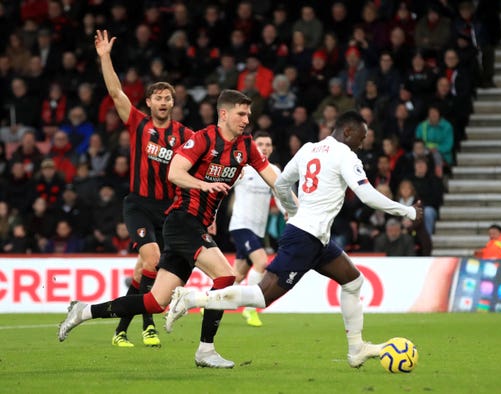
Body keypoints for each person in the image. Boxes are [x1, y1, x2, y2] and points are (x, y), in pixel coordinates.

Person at [164, 111, 423, 368]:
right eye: (361, 137)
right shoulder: (346, 154)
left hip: (314, 236)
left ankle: (356, 348)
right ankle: (192, 299)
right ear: (347, 132)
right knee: (259, 297)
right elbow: (366, 194)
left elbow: (283, 183)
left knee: (353, 280)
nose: (362, 143)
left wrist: (294, 211)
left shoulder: (308, 149)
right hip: (305, 238)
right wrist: (408, 211)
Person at [58, 89, 296, 369]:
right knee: (225, 276)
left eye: (248, 114)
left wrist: (299, 211)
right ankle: (205, 350)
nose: (247, 119)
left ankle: (84, 311)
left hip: (194, 225)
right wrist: (203, 185)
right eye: (241, 113)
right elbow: (175, 173)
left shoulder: (247, 146)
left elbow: (275, 181)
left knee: (154, 301)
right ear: (224, 114)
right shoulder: (203, 138)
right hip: (182, 221)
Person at [94, 30, 194, 348]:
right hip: (138, 204)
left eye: (168, 98)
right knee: (152, 262)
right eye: (158, 98)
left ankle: (121, 330)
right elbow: (115, 91)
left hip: (169, 209)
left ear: (173, 103)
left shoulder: (186, 135)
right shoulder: (138, 123)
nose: (163, 102)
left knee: (143, 270)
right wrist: (105, 56)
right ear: (149, 102)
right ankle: (148, 326)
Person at [228, 131, 284, 327]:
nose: (265, 148)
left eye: (268, 144)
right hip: (241, 225)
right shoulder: (242, 169)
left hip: (258, 230)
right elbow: (222, 188)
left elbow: (280, 195)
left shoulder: (274, 171)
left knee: (237, 275)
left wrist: (288, 212)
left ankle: (210, 303)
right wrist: (211, 217)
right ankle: (250, 310)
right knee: (261, 262)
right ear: (253, 147)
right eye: (260, 144)